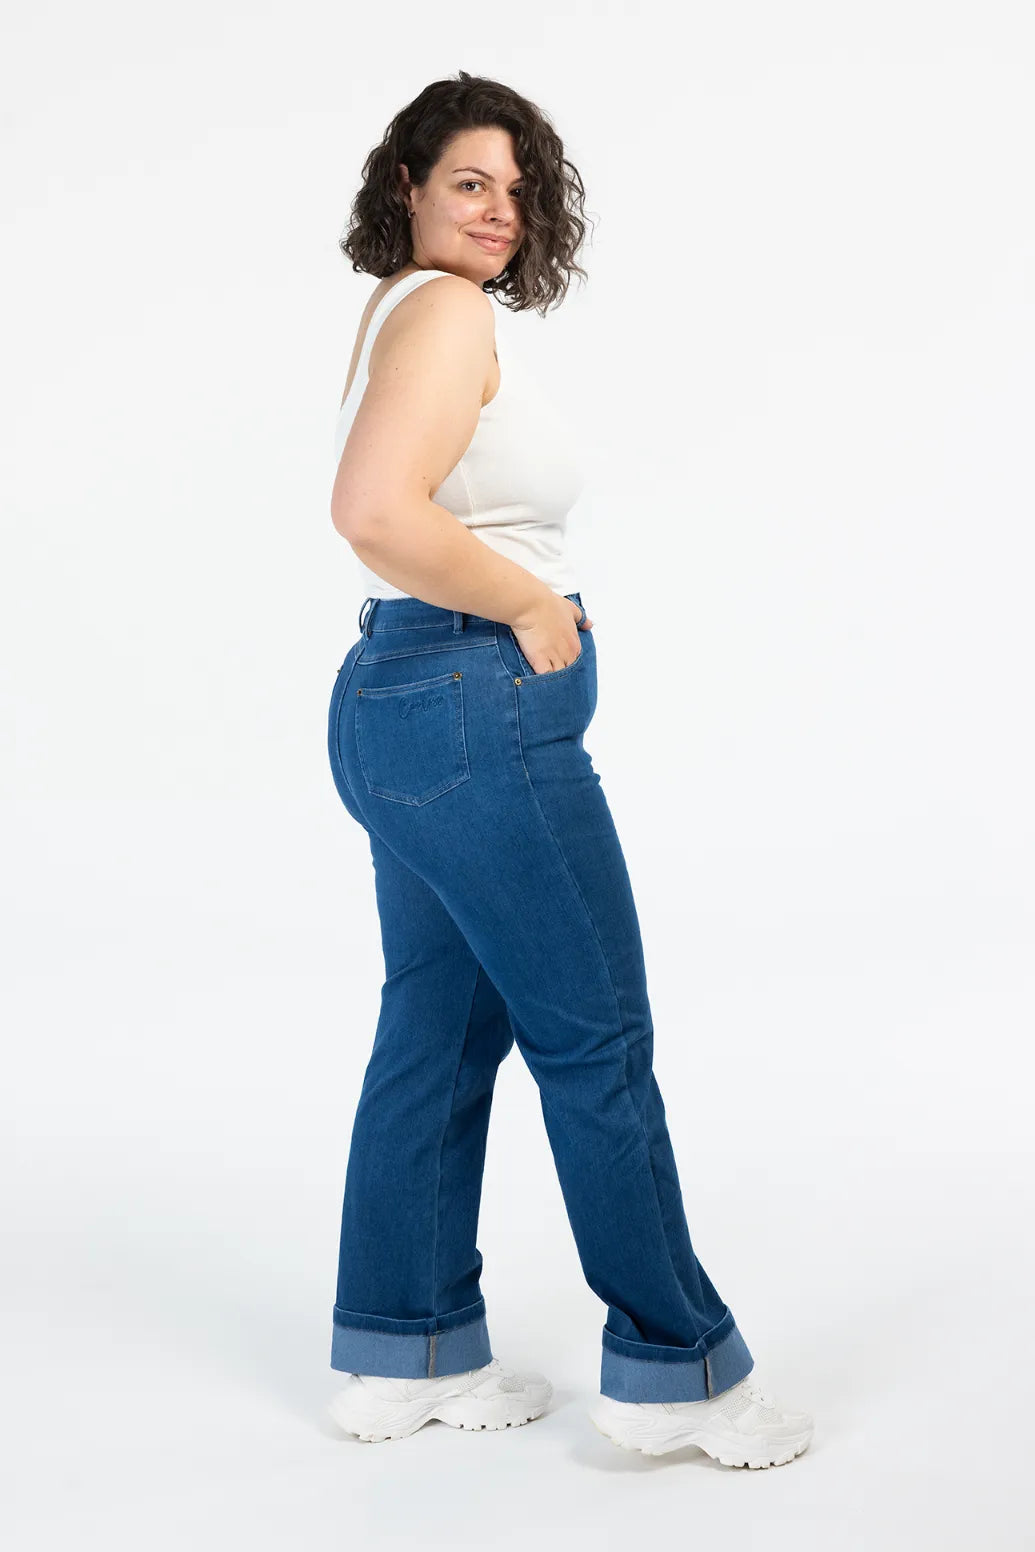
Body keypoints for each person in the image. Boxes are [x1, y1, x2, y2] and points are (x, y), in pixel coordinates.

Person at [323, 71, 813, 1469]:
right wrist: (535, 607)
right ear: (409, 188)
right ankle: (679, 1375)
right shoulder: (444, 311)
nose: (499, 209)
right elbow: (373, 510)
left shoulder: (406, 310)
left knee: (435, 1030)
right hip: (472, 711)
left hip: (406, 707)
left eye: (517, 188)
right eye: (469, 181)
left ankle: (405, 1354)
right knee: (595, 1039)